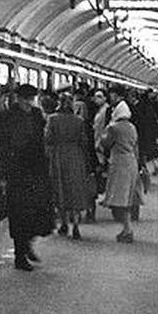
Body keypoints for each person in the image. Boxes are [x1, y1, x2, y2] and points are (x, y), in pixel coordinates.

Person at [0, 84, 54, 271]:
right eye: (27, 99)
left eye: (32, 99)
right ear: (19, 99)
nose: (29, 103)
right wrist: (3, 175)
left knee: (37, 210)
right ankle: (19, 255)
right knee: (19, 214)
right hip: (16, 172)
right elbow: (2, 147)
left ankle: (27, 243)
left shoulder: (37, 115)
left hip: (36, 170)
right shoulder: (7, 117)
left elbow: (42, 140)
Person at [46, 92, 92, 240]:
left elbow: (48, 139)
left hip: (58, 157)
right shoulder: (79, 120)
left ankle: (64, 223)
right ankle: (76, 226)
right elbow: (84, 141)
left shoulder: (52, 119)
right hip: (75, 157)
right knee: (75, 189)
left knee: (60, 188)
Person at [100, 87, 142, 243]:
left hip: (119, 163)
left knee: (120, 198)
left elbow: (105, 144)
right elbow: (136, 145)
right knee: (128, 196)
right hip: (132, 162)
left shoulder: (113, 128)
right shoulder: (132, 127)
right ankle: (126, 228)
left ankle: (127, 229)